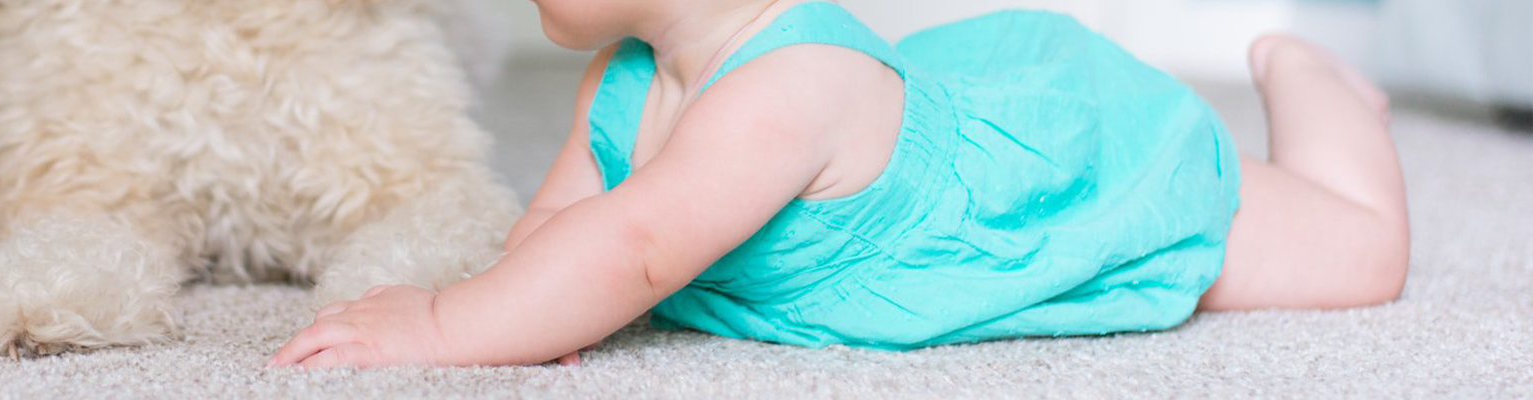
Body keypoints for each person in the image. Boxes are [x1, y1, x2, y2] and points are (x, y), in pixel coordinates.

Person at [271, 0, 1410, 367]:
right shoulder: (623, 83)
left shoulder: (787, 87)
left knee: (1358, 256)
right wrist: (528, 303)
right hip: (927, 120)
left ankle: (1305, 80)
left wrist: (442, 323)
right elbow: (573, 222)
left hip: (1056, 183)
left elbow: (634, 252)